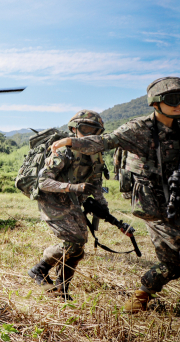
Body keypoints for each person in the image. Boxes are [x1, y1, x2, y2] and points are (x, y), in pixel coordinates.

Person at [51, 77, 180, 312]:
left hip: (177, 194)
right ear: (155, 102)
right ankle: (142, 294)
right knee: (175, 261)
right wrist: (71, 142)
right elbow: (105, 141)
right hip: (156, 205)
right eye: (173, 99)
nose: (178, 105)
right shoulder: (138, 129)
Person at [28, 110, 111, 298]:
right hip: (52, 201)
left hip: (73, 201)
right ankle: (39, 269)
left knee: (78, 249)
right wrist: (74, 187)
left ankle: (61, 288)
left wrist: (102, 205)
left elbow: (96, 184)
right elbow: (44, 182)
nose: (90, 133)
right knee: (75, 243)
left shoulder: (96, 155)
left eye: (95, 130)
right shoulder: (64, 152)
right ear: (74, 129)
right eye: (85, 128)